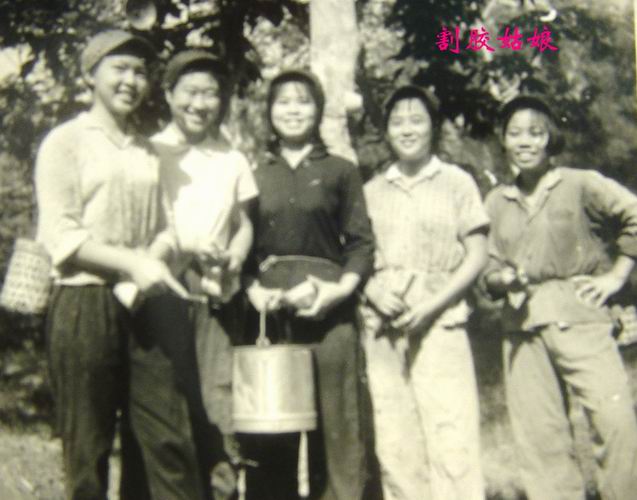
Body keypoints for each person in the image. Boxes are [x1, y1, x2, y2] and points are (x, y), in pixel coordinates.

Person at [35, 30, 204, 500]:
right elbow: (62, 236)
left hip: (146, 304)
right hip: (84, 302)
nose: (131, 81)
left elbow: (167, 228)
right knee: (87, 448)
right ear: (90, 76)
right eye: (119, 69)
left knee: (166, 440)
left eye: (140, 72)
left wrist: (152, 260)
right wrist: (132, 263)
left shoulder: (147, 150)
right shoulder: (64, 142)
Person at [483, 95, 637, 499]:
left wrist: (617, 276)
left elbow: (634, 215)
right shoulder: (496, 201)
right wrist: (502, 279)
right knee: (541, 442)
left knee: (616, 424)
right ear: (503, 140)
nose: (525, 142)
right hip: (522, 329)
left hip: (581, 317)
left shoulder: (580, 183)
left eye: (535, 133)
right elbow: (487, 268)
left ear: (551, 137)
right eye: (515, 133)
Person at [242, 69, 375, 500]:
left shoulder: (341, 171)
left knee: (338, 429)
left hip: (330, 313)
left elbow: (361, 244)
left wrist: (340, 290)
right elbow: (239, 246)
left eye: (303, 101)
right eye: (283, 102)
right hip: (271, 315)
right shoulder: (253, 172)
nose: (293, 110)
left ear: (318, 110)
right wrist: (253, 290)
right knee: (270, 431)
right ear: (269, 111)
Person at [360, 85, 488, 500]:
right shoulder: (371, 191)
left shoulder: (456, 182)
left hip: (441, 318)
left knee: (452, 434)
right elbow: (356, 256)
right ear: (386, 131)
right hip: (384, 324)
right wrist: (373, 291)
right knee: (394, 437)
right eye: (397, 122)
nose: (407, 130)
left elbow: (476, 255)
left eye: (417, 120)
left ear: (433, 127)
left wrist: (432, 306)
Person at [151, 49, 258, 499]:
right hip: (161, 288)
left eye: (211, 93)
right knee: (163, 405)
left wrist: (235, 255)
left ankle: (221, 491)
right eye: (190, 92)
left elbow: (244, 223)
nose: (200, 104)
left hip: (215, 291)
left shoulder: (231, 158)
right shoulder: (151, 151)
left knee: (217, 404)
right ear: (168, 94)